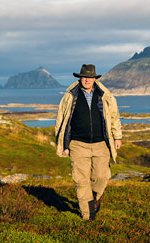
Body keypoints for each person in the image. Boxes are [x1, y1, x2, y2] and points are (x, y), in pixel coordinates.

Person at [54, 64, 122, 221]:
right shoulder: (70, 96)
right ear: (80, 78)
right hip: (78, 145)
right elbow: (61, 120)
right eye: (84, 77)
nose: (87, 80)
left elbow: (114, 117)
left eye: (90, 77)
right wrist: (62, 144)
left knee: (102, 176)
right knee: (81, 181)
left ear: (94, 78)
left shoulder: (105, 95)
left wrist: (117, 137)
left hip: (101, 144)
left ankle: (93, 198)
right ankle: (88, 217)